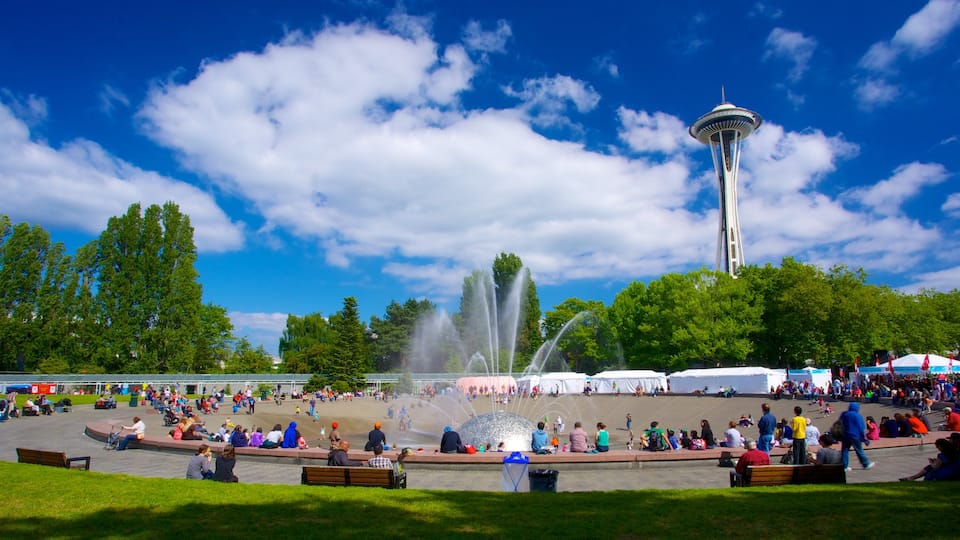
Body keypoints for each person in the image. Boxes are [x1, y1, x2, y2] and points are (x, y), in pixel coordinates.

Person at [839, 402, 875, 471]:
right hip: (855, 436)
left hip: (845, 435)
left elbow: (840, 424)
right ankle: (866, 464)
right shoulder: (857, 416)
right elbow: (861, 428)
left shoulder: (844, 414)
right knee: (859, 450)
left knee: (845, 451)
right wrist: (864, 439)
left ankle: (844, 466)